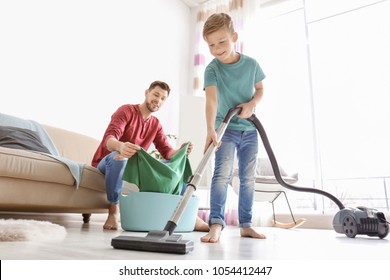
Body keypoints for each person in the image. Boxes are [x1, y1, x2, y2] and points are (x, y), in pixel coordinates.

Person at [92, 80, 209, 231]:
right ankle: (113, 211)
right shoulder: (126, 111)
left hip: (133, 168)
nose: (158, 100)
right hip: (108, 162)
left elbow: (167, 152)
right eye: (156, 95)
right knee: (119, 158)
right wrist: (121, 146)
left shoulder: (155, 124)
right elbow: (109, 139)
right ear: (146, 93)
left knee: (177, 167)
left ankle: (186, 214)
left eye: (163, 98)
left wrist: (180, 152)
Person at [200, 13, 267, 243]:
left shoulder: (251, 64)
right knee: (221, 176)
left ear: (234, 37)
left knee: (248, 178)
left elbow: (260, 90)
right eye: (211, 45)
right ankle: (216, 224)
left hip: (249, 129)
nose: (217, 49)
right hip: (225, 129)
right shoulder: (212, 69)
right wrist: (211, 128)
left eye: (222, 42)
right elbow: (211, 100)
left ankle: (246, 225)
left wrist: (251, 104)